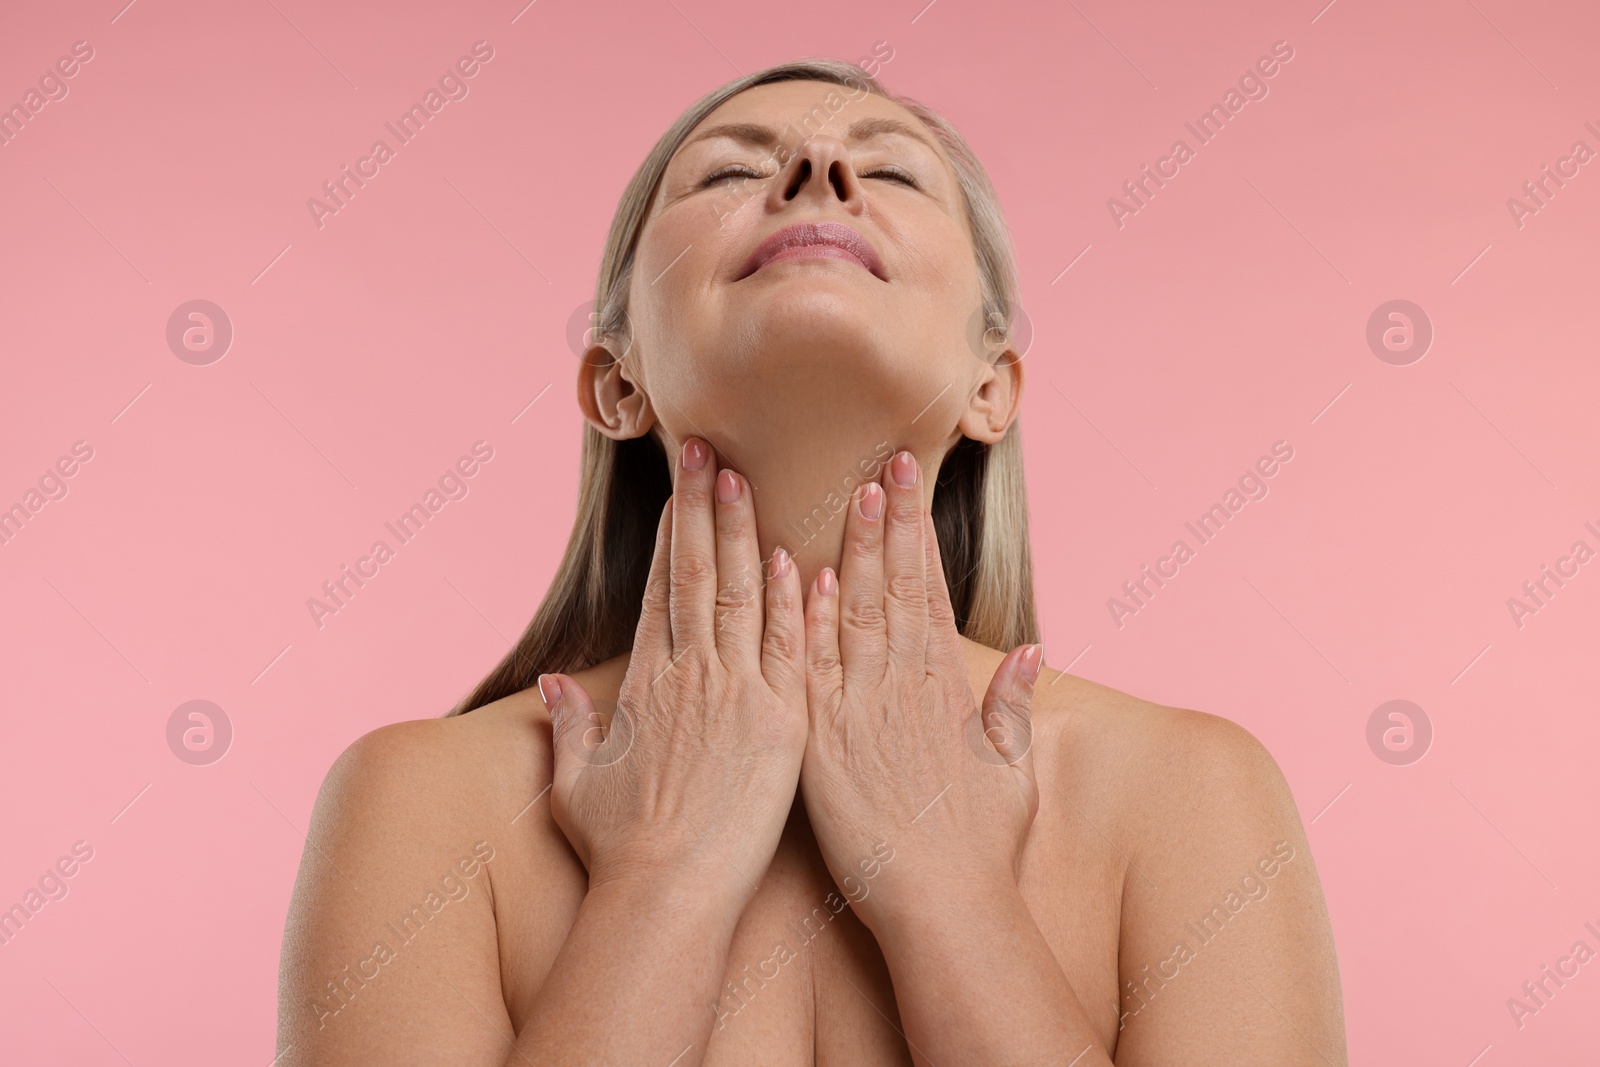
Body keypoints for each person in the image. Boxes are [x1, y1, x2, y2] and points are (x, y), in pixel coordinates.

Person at [275, 58, 1347, 1065]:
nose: (816, 174)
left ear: (993, 386)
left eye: (887, 170)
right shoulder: (416, 803)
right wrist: (660, 877)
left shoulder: (1191, 795)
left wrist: (949, 881)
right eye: (734, 169)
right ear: (616, 382)